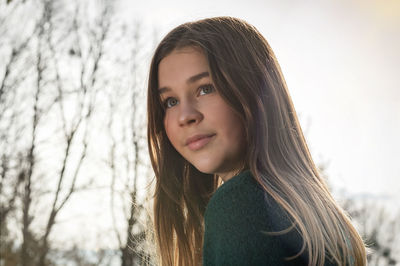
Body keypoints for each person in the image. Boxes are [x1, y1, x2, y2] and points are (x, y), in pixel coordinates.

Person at [146, 16, 367, 266]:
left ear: (253, 94)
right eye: (170, 102)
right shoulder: (324, 223)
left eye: (205, 88)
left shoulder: (239, 206)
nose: (185, 116)